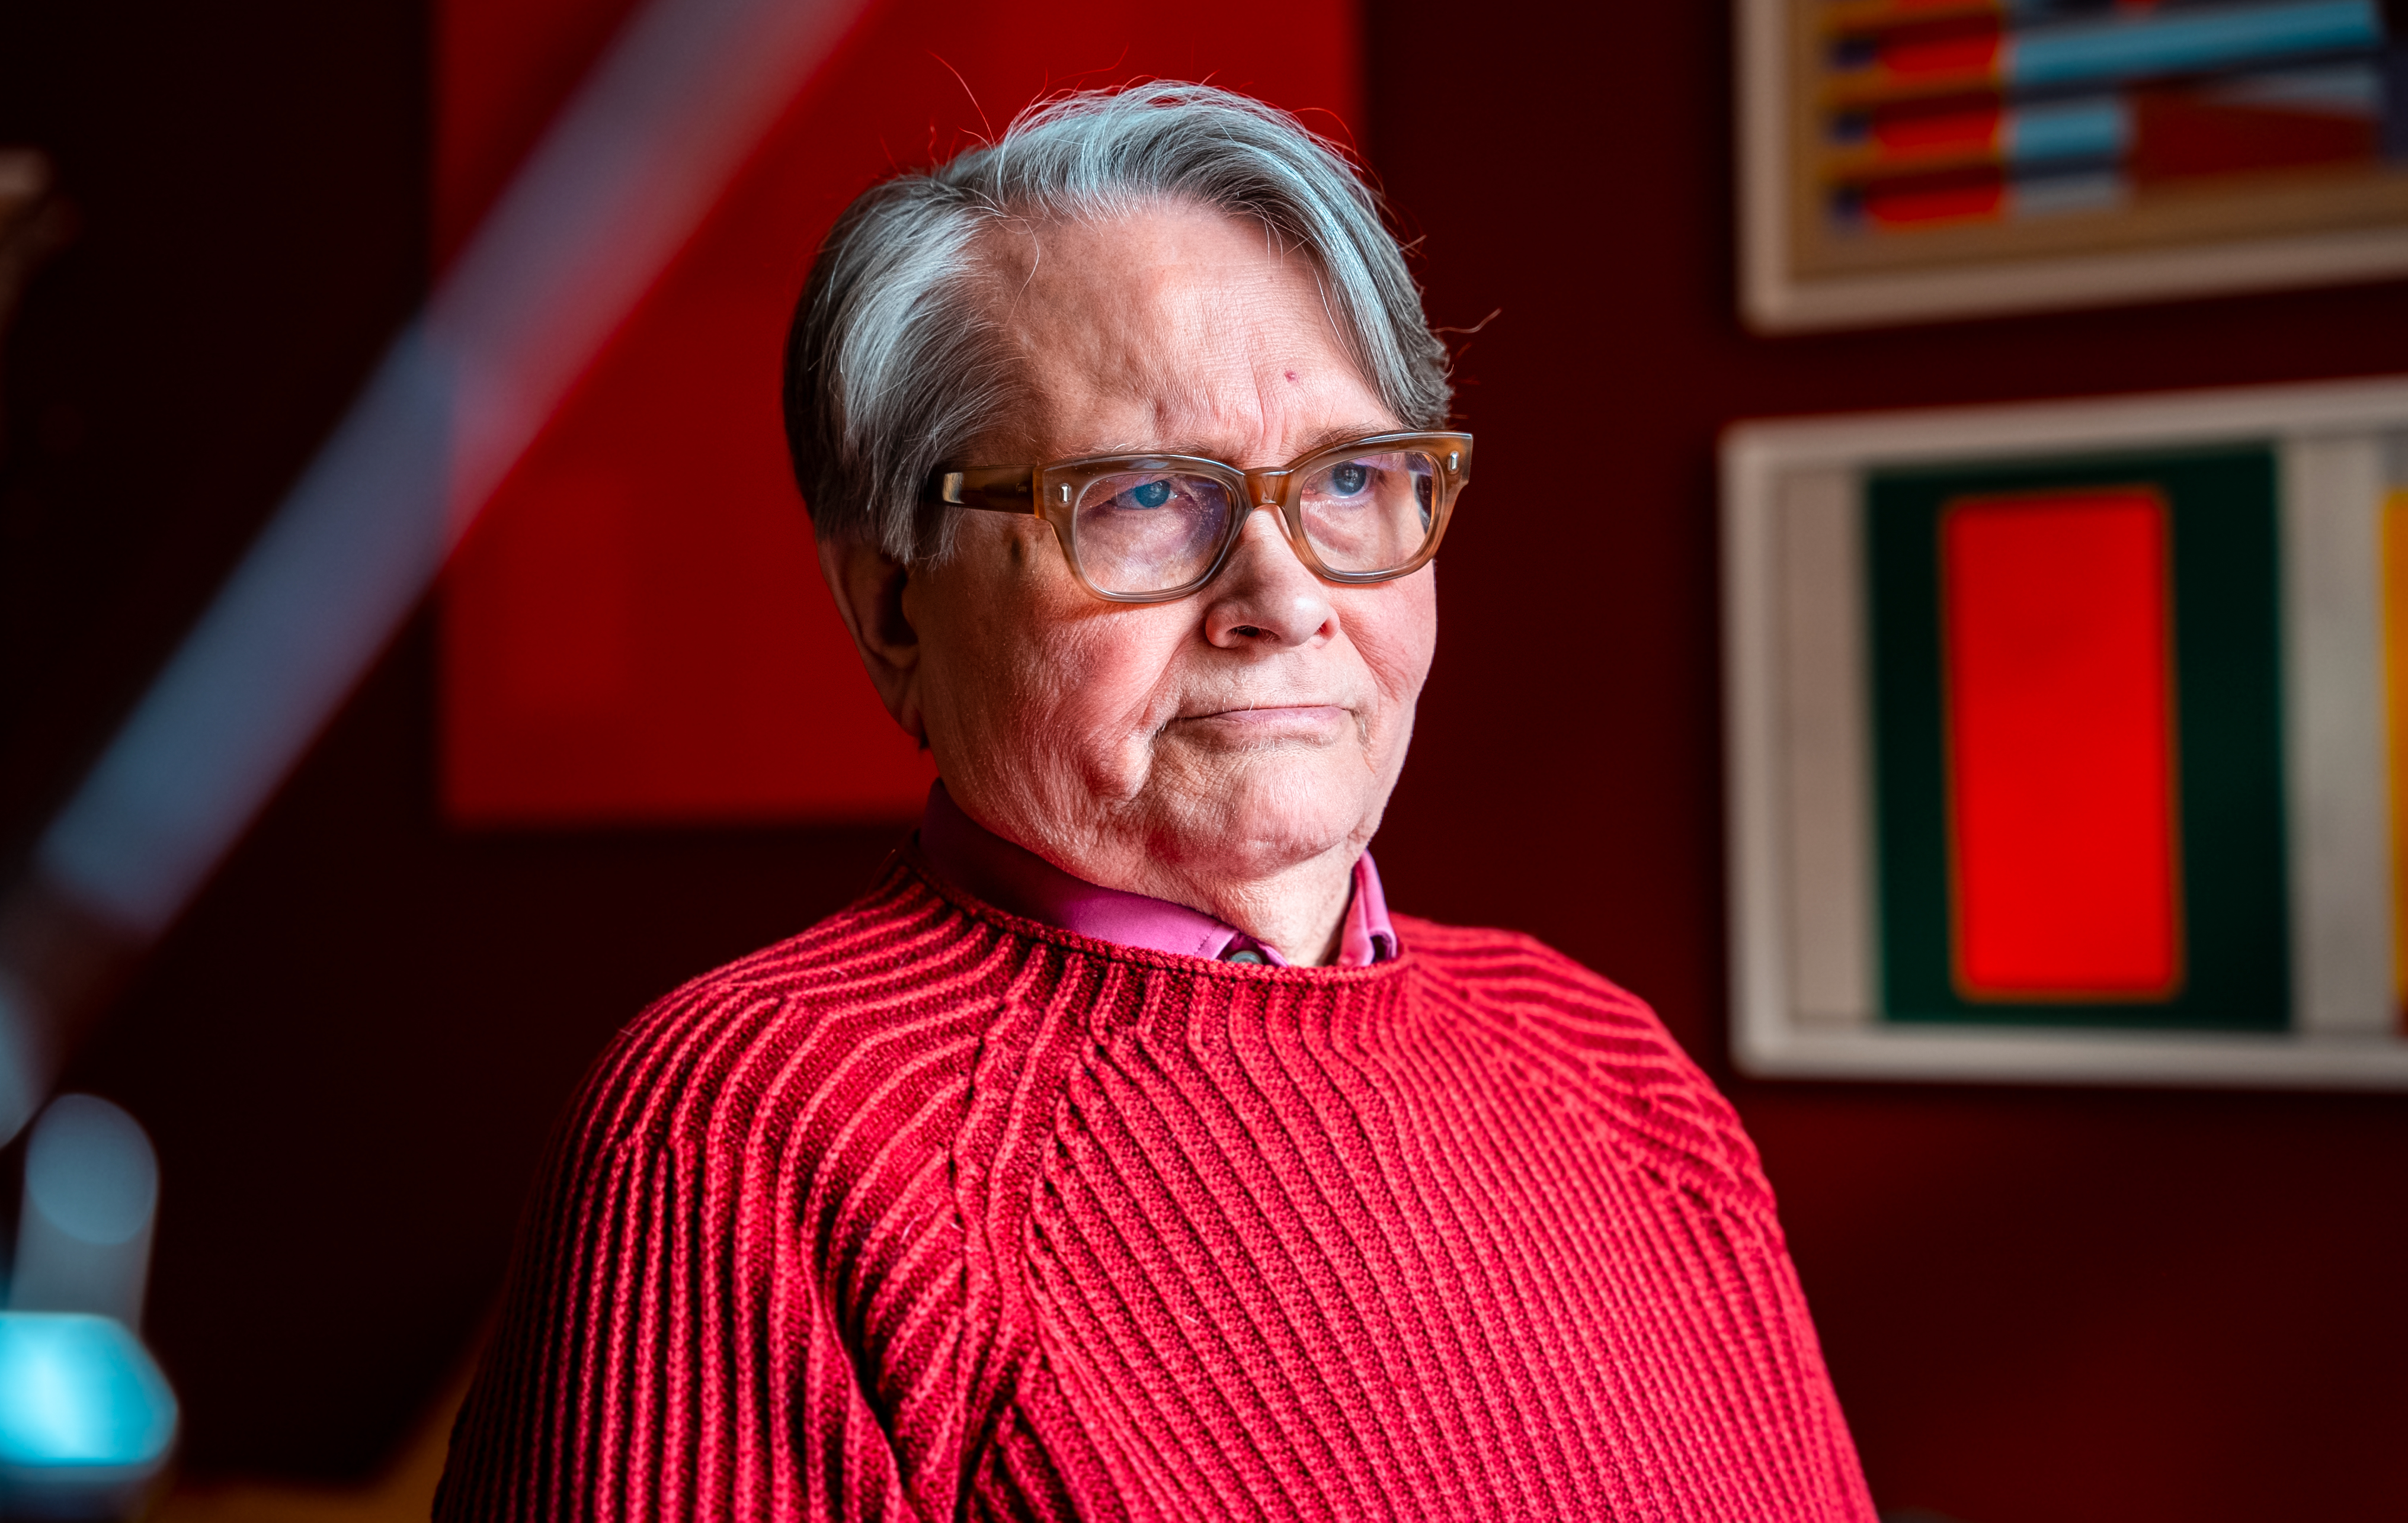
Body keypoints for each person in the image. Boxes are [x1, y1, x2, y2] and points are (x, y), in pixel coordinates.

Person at [437, 84, 1871, 1521]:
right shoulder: (743, 1136)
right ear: (894, 605)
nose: (1285, 598)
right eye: (1140, 497)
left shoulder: (1610, 1066)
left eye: (1350, 478)